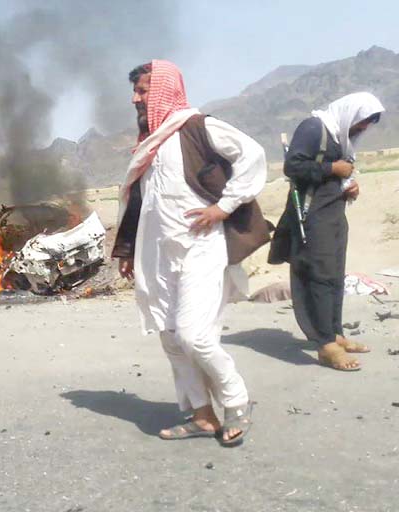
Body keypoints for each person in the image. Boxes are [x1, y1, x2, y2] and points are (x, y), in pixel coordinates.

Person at [112, 61, 270, 447]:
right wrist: (131, 251)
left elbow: (252, 154)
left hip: (201, 246)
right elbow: (142, 205)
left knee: (195, 335)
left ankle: (236, 401)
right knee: (170, 337)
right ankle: (201, 415)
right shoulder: (150, 143)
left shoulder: (197, 127)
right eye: (135, 91)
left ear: (164, 90)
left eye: (143, 90)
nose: (136, 98)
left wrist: (225, 206)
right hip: (159, 252)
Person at [269, 93, 385, 371]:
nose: (364, 128)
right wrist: (333, 168)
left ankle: (335, 333)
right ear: (351, 114)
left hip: (334, 214)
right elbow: (293, 166)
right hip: (311, 215)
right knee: (319, 275)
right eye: (363, 122)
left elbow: (344, 172)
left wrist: (350, 185)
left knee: (334, 276)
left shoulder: (340, 137)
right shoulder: (314, 128)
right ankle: (325, 345)